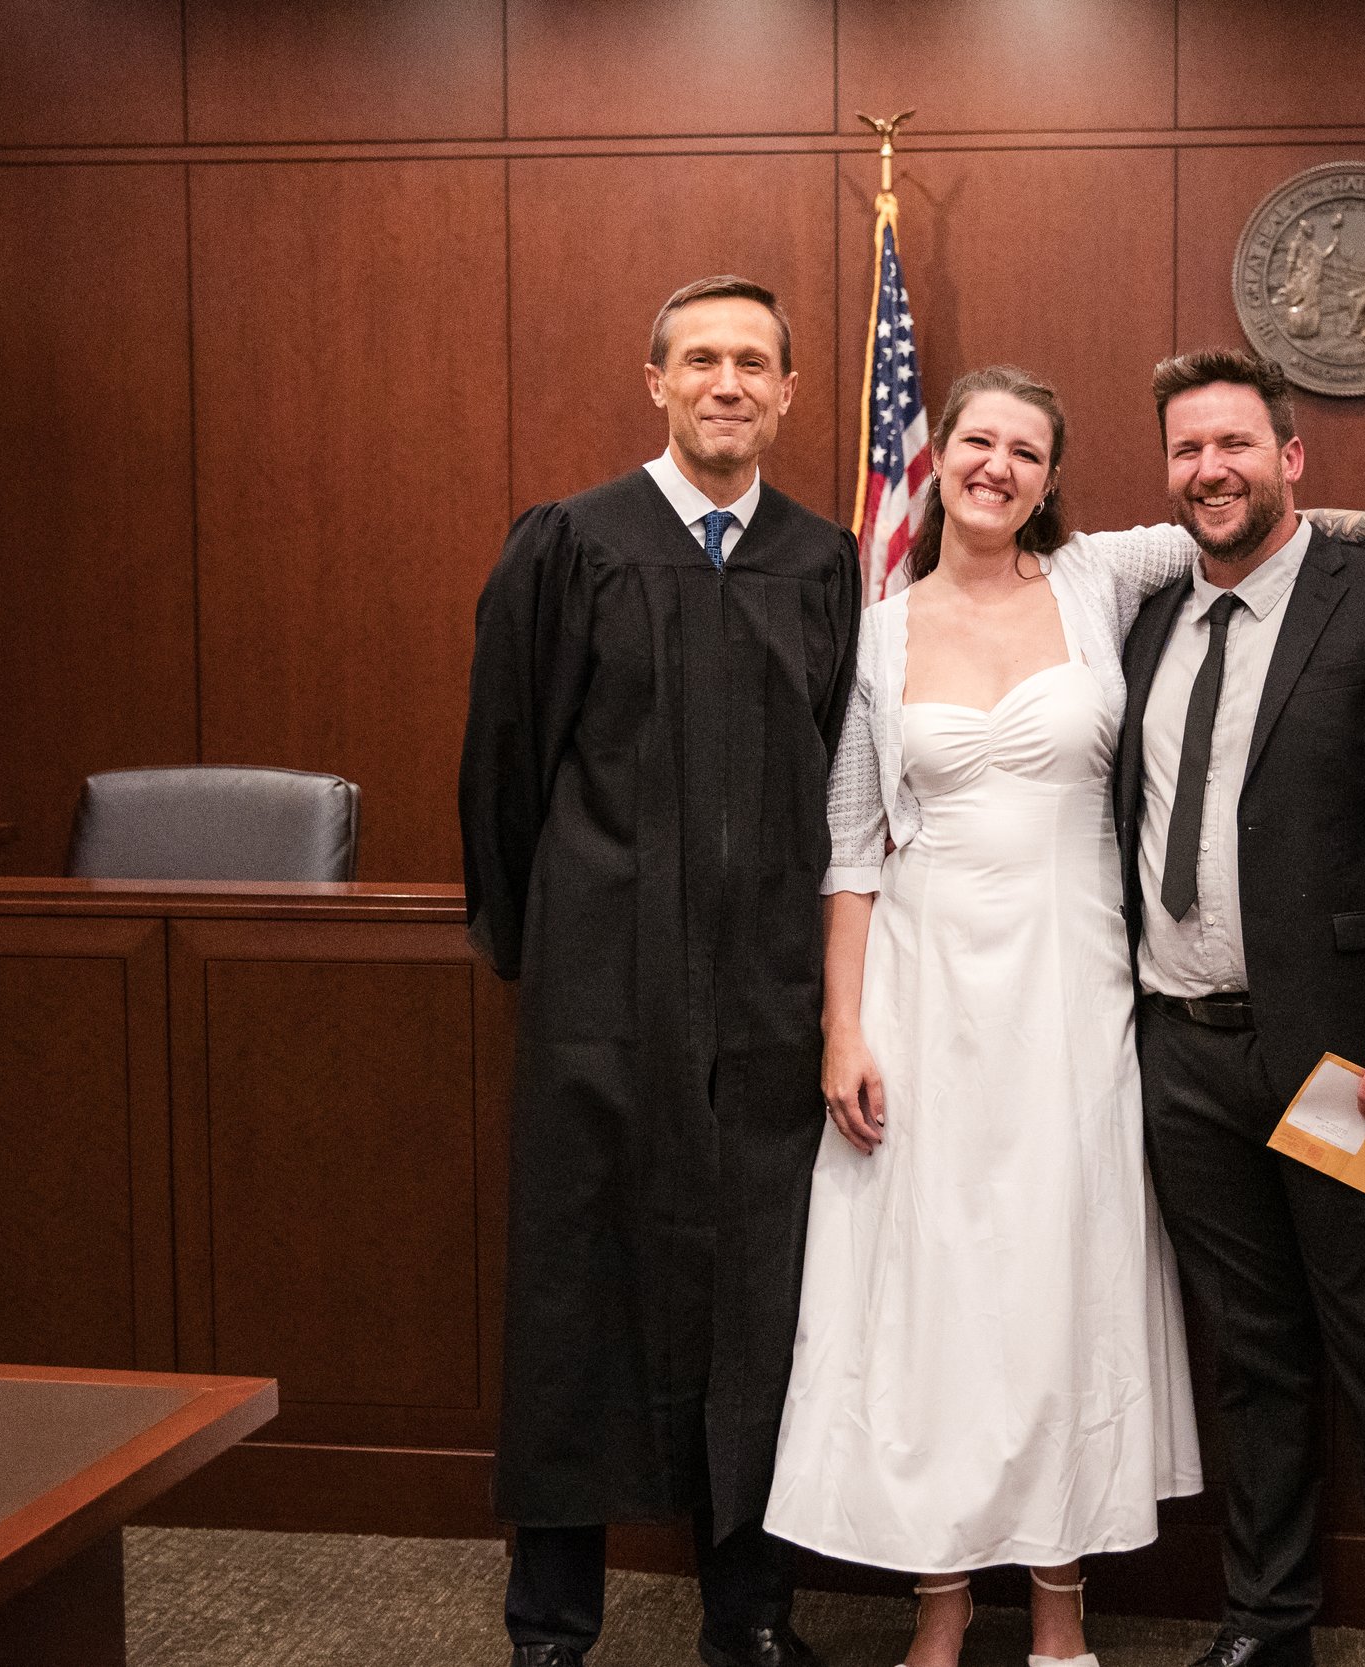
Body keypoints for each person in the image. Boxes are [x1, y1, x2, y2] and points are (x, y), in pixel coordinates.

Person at [767, 364, 1365, 1667]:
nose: (998, 466)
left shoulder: (1106, 579)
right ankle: (1212, 1626)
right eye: (978, 441)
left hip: (1264, 1040)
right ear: (939, 458)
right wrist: (844, 1030)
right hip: (1071, 1029)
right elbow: (851, 847)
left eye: (1027, 450)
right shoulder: (888, 632)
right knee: (1193, 1342)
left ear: (1052, 476)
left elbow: (1260, 519)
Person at [459, 275, 859, 1667]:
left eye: (754, 361)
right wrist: (550, 953)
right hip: (600, 997)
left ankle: (749, 1617)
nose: (728, 382)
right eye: (702, 359)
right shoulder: (571, 544)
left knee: (762, 1300)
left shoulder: (827, 562)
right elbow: (501, 774)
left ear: (791, 393)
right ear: (656, 380)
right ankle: (551, 1623)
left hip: (765, 996)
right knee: (578, 1297)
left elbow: (844, 780)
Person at [1115, 349, 1365, 1667]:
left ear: (1292, 461)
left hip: (1357, 1060)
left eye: (1233, 444)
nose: (1208, 470)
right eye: (1185, 451)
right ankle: (1265, 1627)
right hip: (1179, 1054)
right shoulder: (1148, 618)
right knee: (1254, 1362)